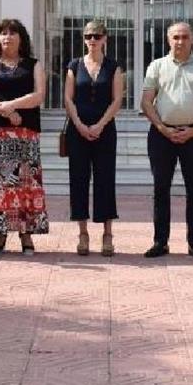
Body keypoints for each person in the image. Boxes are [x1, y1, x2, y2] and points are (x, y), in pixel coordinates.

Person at [140, 21, 193, 259]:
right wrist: (162, 128)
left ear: (192, 39)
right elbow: (146, 102)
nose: (180, 41)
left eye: (185, 37)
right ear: (168, 40)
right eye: (175, 37)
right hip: (161, 136)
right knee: (160, 190)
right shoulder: (157, 66)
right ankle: (160, 242)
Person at [0, 18, 48, 255]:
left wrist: (12, 106)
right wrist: (3, 110)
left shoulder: (33, 65)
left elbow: (38, 95)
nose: (7, 37)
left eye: (12, 33)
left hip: (24, 134)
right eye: (3, 33)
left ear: (21, 38)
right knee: (0, 186)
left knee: (25, 184)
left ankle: (26, 234)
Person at [63, 20, 123, 257]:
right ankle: (83, 233)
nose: (93, 41)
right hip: (78, 131)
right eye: (88, 36)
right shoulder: (74, 65)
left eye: (97, 36)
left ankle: (108, 234)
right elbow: (68, 98)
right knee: (78, 179)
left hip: (105, 131)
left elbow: (117, 99)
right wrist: (79, 124)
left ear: (105, 39)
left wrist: (99, 125)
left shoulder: (113, 66)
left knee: (105, 180)